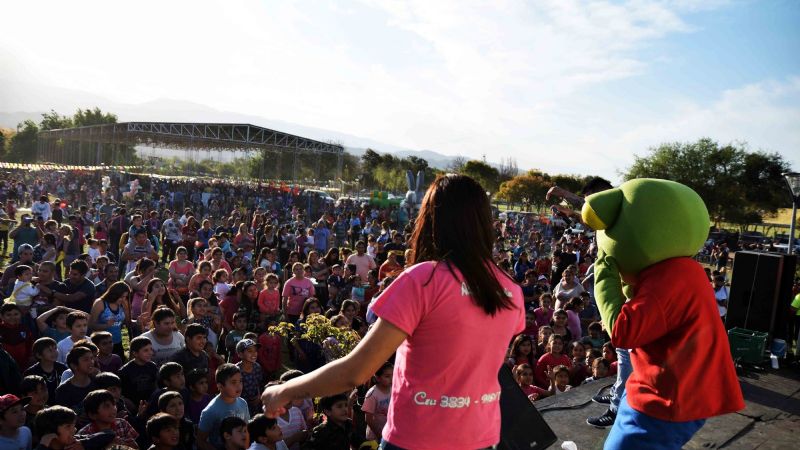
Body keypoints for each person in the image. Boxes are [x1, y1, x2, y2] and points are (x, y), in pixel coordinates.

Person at [261, 174, 526, 450]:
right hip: (480, 439)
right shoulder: (509, 290)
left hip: (415, 440)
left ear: (432, 219)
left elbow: (357, 371)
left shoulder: (424, 280)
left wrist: (284, 391)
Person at [197, 364, 250, 450]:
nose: (239, 385)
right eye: (233, 382)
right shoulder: (211, 411)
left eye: (240, 381)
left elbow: (247, 429)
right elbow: (200, 441)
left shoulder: (242, 403)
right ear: (220, 386)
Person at [23, 338, 68, 402]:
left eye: (55, 348)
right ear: (39, 355)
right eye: (49, 350)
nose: (54, 352)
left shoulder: (63, 368)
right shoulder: (31, 373)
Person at [119, 336, 159, 409]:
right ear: (135, 353)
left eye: (151, 349)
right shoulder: (125, 371)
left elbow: (156, 385)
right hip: (134, 406)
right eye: (145, 350)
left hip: (151, 403)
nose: (150, 353)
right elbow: (121, 394)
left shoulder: (152, 366)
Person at [361, 362, 392, 443]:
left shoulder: (393, 389)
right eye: (387, 376)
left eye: (393, 375)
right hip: (375, 437)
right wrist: (380, 435)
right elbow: (368, 419)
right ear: (377, 378)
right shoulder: (372, 394)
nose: (392, 378)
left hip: (390, 433)